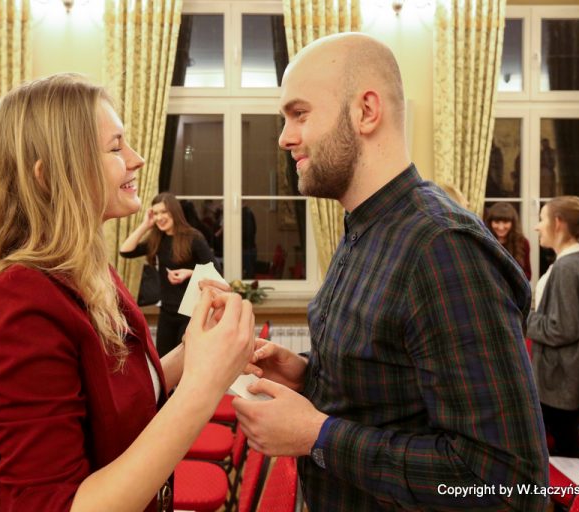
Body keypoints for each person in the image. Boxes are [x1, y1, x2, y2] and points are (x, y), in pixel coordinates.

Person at [232, 33, 548, 510]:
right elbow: (391, 392)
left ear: (366, 111)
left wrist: (317, 434)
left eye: (299, 114)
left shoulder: (441, 247)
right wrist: (308, 376)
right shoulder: (366, 226)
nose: (284, 137)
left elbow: (508, 483)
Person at [0, 74, 254, 511]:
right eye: (116, 148)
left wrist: (195, 351)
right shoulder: (15, 306)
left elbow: (121, 397)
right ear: (50, 176)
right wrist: (204, 385)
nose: (137, 159)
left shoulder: (86, 273)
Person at [527, 196, 579, 458]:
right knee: (568, 444)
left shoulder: (567, 267)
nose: (537, 226)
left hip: (559, 381)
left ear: (558, 223)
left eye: (542, 219)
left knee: (567, 450)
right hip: (572, 378)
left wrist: (525, 320)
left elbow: (563, 329)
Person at [120, 192, 220, 357]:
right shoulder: (157, 239)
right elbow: (125, 251)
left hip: (190, 312)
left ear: (174, 212)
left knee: (185, 362)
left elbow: (215, 269)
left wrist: (189, 273)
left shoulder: (193, 237)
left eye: (164, 212)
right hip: (166, 312)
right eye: (155, 213)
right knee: (163, 362)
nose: (159, 217)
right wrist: (145, 225)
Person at [485, 202, 532, 280]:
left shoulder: (523, 243)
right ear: (490, 223)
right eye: (496, 222)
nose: (501, 227)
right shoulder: (484, 241)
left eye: (505, 222)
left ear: (513, 223)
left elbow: (528, 275)